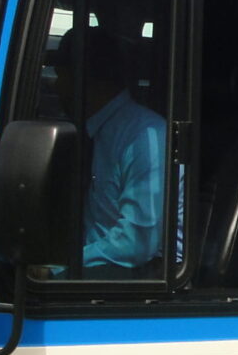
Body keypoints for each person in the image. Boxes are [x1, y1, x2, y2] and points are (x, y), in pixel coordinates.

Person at [53, 27, 167, 275]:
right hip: (98, 265)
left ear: (83, 79)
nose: (55, 87)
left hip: (137, 277)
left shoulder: (144, 135)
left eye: (60, 77)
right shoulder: (96, 130)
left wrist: (61, 267)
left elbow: (137, 243)